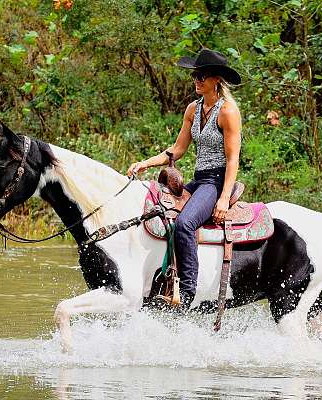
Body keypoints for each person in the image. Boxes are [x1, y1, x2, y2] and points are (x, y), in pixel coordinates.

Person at [127, 48, 242, 308]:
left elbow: (233, 160)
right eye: (195, 76)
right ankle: (165, 280)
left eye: (202, 76)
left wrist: (223, 199)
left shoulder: (228, 113)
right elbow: (177, 150)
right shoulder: (193, 109)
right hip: (199, 179)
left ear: (217, 80)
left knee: (186, 224)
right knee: (161, 213)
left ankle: (188, 291)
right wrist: (145, 163)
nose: (197, 80)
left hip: (215, 182)